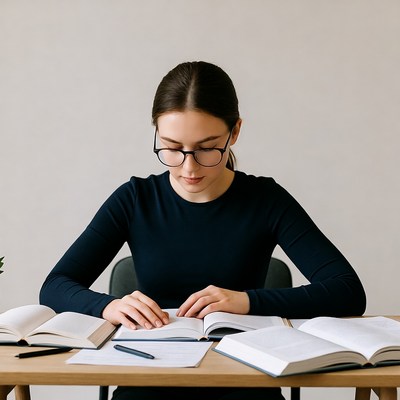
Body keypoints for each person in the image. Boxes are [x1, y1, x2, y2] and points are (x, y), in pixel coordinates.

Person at [40, 61, 366, 400]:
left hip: (245, 380)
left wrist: (247, 301)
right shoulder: (134, 199)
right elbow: (55, 286)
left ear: (234, 132)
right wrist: (108, 306)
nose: (189, 167)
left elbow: (347, 291)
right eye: (171, 147)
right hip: (148, 378)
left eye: (207, 148)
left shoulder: (266, 200)